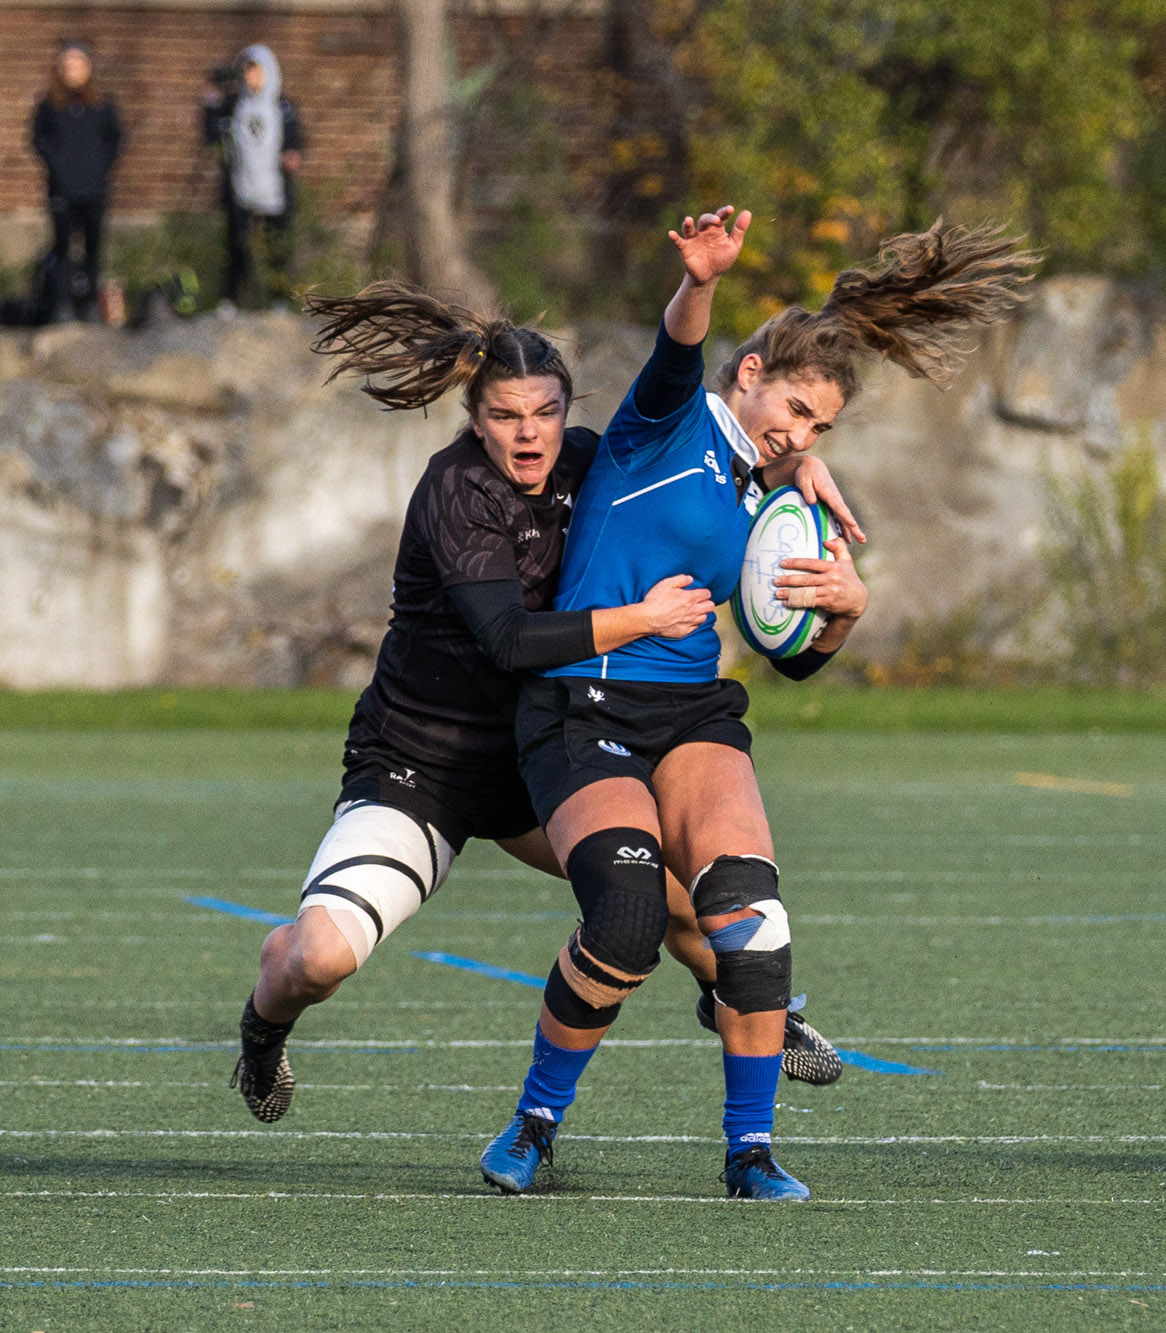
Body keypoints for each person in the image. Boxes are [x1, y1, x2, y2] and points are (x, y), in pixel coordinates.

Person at [476, 207, 1035, 1200]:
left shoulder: (773, 500)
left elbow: (796, 659)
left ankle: (749, 1151)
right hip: (581, 711)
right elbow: (673, 353)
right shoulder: (667, 426)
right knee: (628, 919)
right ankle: (533, 1122)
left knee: (753, 922)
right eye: (792, 408)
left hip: (691, 711)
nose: (800, 432)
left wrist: (844, 614)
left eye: (819, 425)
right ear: (749, 375)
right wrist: (700, 282)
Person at [229, 282, 857, 1124]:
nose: (529, 433)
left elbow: (695, 460)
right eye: (505, 416)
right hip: (425, 765)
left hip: (540, 754)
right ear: (474, 416)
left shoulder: (589, 459)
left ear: (567, 409)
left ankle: (753, 1011)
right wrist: (643, 617)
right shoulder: (455, 490)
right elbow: (510, 641)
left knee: (670, 903)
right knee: (318, 958)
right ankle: (263, 1032)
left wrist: (793, 464)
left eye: (545, 413)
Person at [202, 45, 303, 308]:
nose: (251, 78)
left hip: (274, 189)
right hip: (241, 188)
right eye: (246, 72)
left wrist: (292, 154)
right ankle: (232, 299)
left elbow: (295, 139)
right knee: (237, 247)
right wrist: (211, 101)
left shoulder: (282, 106)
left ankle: (280, 299)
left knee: (276, 247)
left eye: (256, 71)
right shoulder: (234, 105)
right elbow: (212, 136)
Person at [30, 41, 121, 321]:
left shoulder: (102, 106)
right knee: (62, 248)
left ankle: (91, 302)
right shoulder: (49, 106)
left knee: (93, 247)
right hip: (62, 189)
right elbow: (38, 139)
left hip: (94, 188)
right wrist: (58, 165)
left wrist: (100, 166)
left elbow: (115, 139)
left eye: (78, 65)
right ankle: (62, 305)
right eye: (67, 66)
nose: (73, 71)